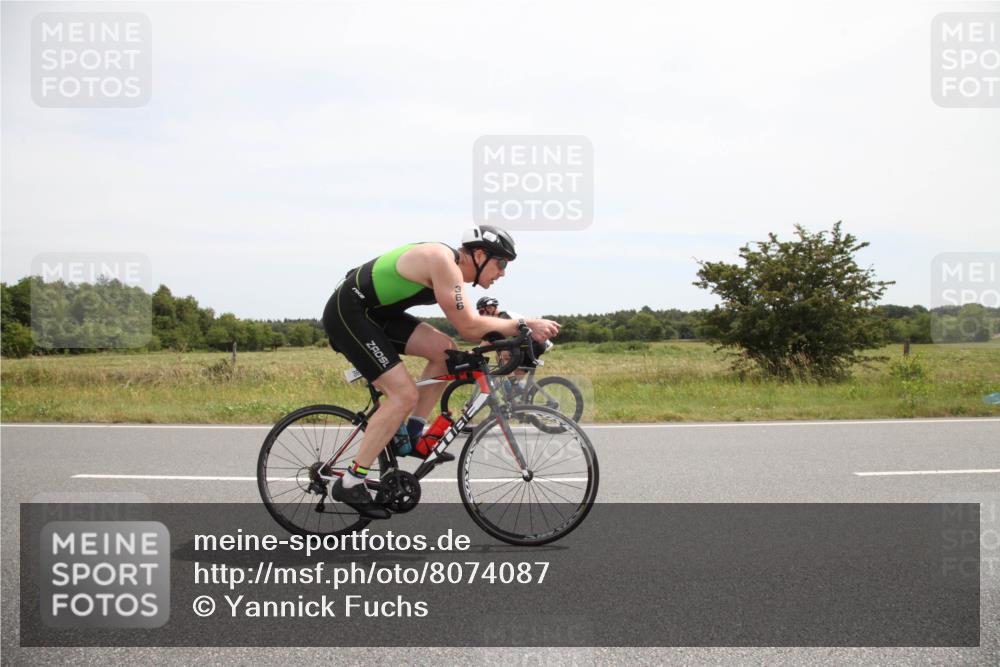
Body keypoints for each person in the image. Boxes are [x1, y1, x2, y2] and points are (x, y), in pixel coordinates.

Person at [321, 226, 560, 519]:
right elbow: (469, 326)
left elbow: (471, 331)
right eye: (502, 263)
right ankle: (351, 481)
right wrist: (525, 324)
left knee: (445, 352)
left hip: (378, 315)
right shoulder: (443, 261)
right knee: (402, 395)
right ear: (480, 254)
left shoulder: (452, 270)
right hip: (350, 312)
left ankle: (409, 435)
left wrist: (515, 333)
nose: (503, 273)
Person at [476, 296, 552, 384]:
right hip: (532, 344)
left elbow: (491, 338)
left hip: (534, 343)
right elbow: (489, 337)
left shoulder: (503, 317)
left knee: (502, 356)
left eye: (482, 311)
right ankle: (525, 393)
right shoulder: (500, 318)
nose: (482, 315)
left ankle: (514, 385)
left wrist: (476, 350)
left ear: (490, 308)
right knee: (517, 378)